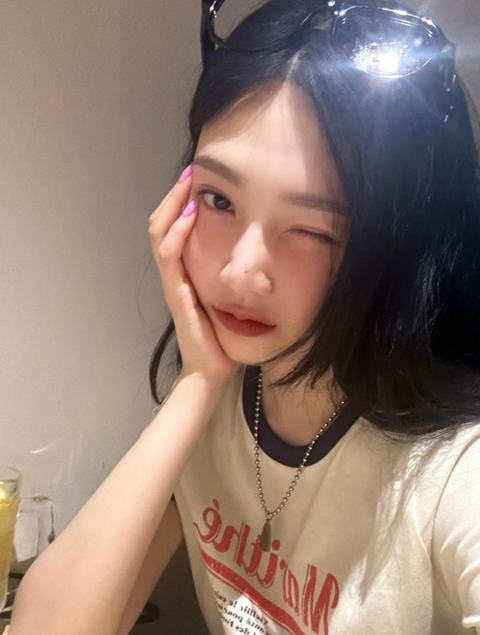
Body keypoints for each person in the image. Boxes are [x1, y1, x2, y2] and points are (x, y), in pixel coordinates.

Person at [8, 1, 480, 634]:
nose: (239, 272)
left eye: (313, 230)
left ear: (398, 247)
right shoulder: (226, 396)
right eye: (218, 198)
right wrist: (197, 384)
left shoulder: (454, 469)